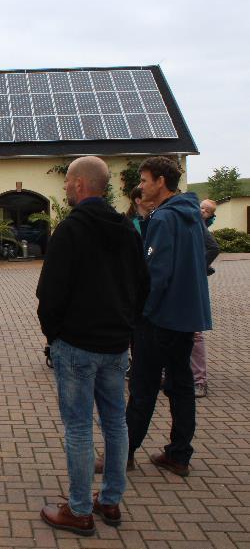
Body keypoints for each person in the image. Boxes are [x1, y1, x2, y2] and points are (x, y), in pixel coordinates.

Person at [37, 156, 149, 536]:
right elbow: (142, 287)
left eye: (68, 181)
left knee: (80, 427)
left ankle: (80, 509)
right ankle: (111, 501)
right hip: (116, 345)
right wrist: (125, 326)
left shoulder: (70, 230)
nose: (66, 187)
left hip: (77, 345)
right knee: (116, 423)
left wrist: (54, 336)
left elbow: (49, 294)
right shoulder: (127, 228)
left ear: (81, 185)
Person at [126, 156, 212, 477]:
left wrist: (139, 315)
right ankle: (178, 455)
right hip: (187, 316)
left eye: (146, 180)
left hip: (159, 318)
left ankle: (124, 453)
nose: (142, 186)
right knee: (181, 385)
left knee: (143, 387)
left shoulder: (163, 219)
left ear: (161, 181)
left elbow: (155, 276)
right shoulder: (191, 214)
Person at [191, 199, 220, 398]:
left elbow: (212, 247)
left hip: (191, 283)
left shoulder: (194, 219)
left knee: (194, 332)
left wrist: (198, 268)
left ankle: (199, 380)